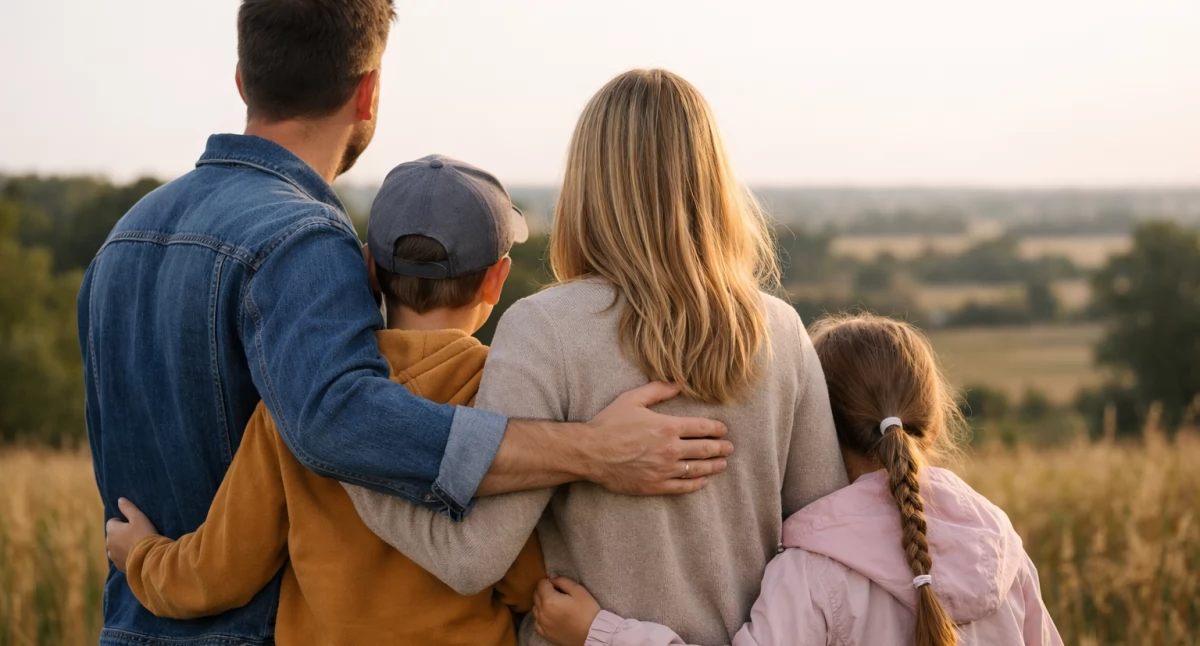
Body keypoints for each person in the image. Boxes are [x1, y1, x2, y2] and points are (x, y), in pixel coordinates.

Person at [79, 4, 730, 645]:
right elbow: (342, 422)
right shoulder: (301, 241)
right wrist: (587, 450)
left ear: (244, 80)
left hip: (139, 621)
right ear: (369, 93)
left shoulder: (121, 240)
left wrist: (140, 558)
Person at [346, 68, 848, 646]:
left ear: (587, 181)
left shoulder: (543, 330)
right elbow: (827, 549)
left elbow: (470, 558)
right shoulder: (780, 331)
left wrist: (342, 457)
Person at [102, 156, 547, 645]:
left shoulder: (300, 392)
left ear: (369, 268)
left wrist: (142, 556)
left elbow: (221, 571)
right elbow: (525, 579)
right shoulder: (503, 397)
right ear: (496, 278)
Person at [530, 313, 1064, 646]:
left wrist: (598, 633)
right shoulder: (1000, 546)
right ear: (935, 419)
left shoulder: (815, 572)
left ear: (811, 422)